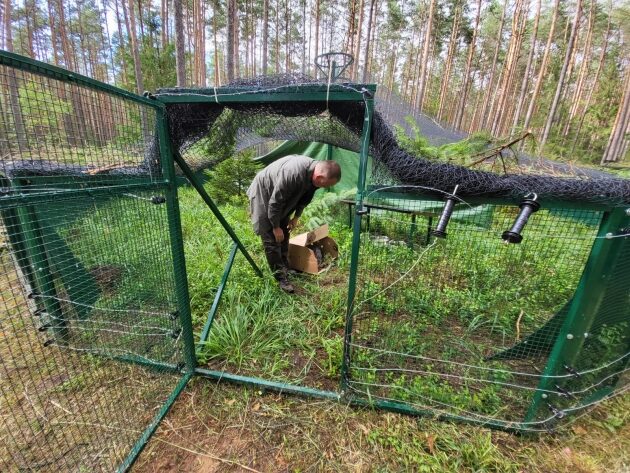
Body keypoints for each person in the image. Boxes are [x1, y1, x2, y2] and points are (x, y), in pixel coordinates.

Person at [247, 155, 341, 293]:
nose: (325, 188)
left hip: (280, 198)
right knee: (271, 238)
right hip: (264, 193)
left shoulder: (314, 177)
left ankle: (285, 268)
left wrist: (296, 216)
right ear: (320, 178)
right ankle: (280, 278)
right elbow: (275, 202)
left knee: (285, 232)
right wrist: (275, 226)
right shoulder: (293, 173)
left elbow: (305, 198)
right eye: (326, 185)